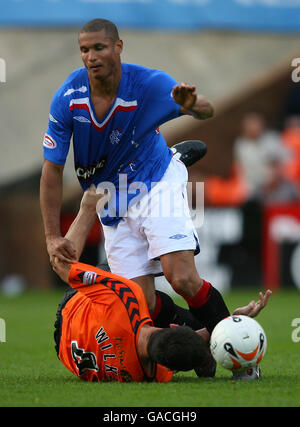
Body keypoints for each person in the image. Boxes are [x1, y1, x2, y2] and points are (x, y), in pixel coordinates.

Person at [39, 18, 239, 343]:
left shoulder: (149, 83)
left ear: (118, 47)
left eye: (99, 48)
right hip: (109, 198)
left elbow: (207, 110)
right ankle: (200, 339)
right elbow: (52, 170)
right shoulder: (68, 98)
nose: (91, 56)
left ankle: (240, 353)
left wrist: (191, 106)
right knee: (140, 302)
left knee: (182, 278)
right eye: (84, 50)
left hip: (155, 181)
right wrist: (51, 235)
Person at [53, 186, 271, 382]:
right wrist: (225, 322)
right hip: (66, 351)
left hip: (73, 309)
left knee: (146, 296)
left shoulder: (125, 300)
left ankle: (153, 179)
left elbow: (60, 263)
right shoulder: (151, 374)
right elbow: (181, 344)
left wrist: (87, 209)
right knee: (155, 304)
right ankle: (161, 178)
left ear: (164, 329)